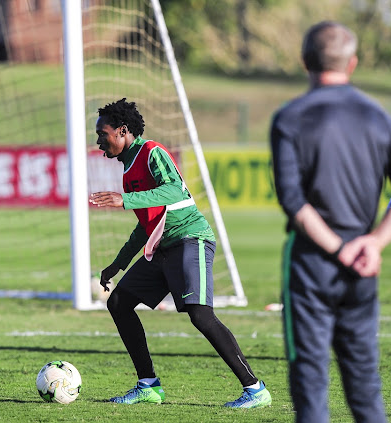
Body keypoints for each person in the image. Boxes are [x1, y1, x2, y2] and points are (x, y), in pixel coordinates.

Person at [269, 21, 391, 423]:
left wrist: (337, 248)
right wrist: (371, 244)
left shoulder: (288, 118)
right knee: (364, 386)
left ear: (304, 61)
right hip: (362, 267)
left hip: (310, 264)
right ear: (352, 63)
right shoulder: (380, 118)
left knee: (310, 384)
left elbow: (292, 201)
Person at [89, 98, 271, 408]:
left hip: (190, 239)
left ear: (123, 130)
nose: (98, 141)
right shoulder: (128, 170)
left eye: (102, 133)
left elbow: (174, 190)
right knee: (119, 302)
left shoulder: (152, 152)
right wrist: (118, 264)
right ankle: (148, 385)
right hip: (162, 248)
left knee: (200, 314)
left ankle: (255, 389)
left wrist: (126, 200)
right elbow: (145, 227)